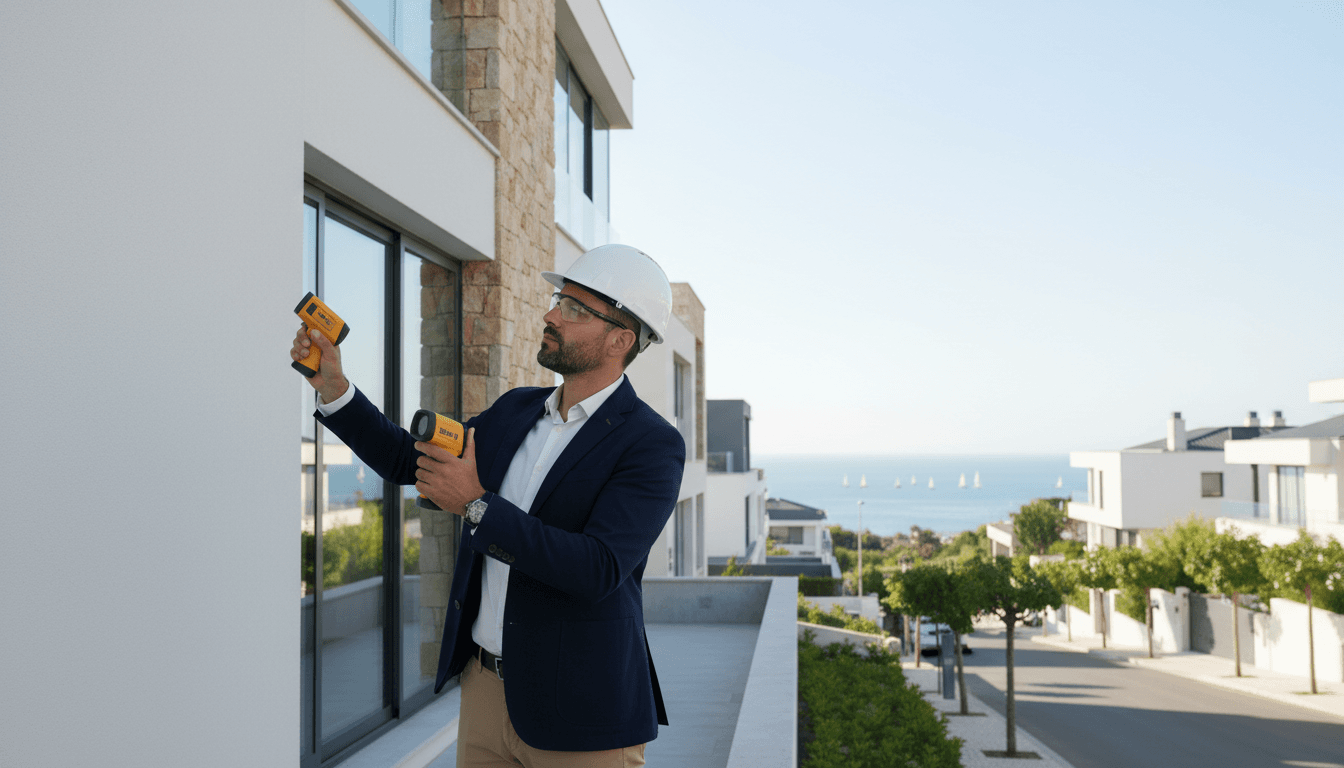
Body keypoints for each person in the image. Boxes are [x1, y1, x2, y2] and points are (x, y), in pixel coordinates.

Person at [291, 244, 685, 767]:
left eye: (573, 309)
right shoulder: (515, 411)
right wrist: (335, 388)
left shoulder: (651, 443)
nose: (550, 315)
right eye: (557, 300)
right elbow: (409, 462)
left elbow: (598, 568)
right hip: (485, 691)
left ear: (621, 339)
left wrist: (476, 506)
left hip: (582, 713)